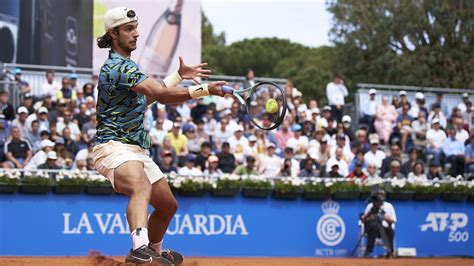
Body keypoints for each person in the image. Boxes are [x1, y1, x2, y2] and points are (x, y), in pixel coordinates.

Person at [92, 7, 228, 264]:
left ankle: (152, 252)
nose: (136, 34)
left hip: (136, 150)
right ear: (113, 33)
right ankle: (138, 248)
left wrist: (178, 76)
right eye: (128, 29)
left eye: (136, 27)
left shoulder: (128, 67)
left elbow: (149, 97)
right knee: (140, 185)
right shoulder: (116, 67)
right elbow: (160, 94)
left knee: (167, 206)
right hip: (112, 147)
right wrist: (206, 89)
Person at [361, 190, 396, 258]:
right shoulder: (370, 206)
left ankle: (390, 252)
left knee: (390, 230)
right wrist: (370, 213)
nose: (380, 198)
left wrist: (383, 216)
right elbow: (363, 220)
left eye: (382, 196)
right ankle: (368, 252)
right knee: (374, 227)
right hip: (373, 229)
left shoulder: (389, 206)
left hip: (385, 228)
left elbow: (393, 221)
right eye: (378, 197)